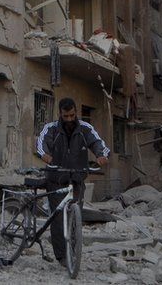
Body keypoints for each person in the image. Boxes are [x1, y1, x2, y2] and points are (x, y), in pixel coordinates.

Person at [35, 97, 110, 265]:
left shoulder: (85, 128)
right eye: (65, 116)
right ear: (60, 114)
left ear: (76, 113)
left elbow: (98, 143)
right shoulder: (51, 129)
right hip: (56, 179)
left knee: (75, 217)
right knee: (58, 218)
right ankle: (61, 256)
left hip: (76, 178)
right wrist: (45, 155)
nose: (69, 119)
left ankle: (74, 253)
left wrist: (101, 155)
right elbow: (40, 143)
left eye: (71, 115)